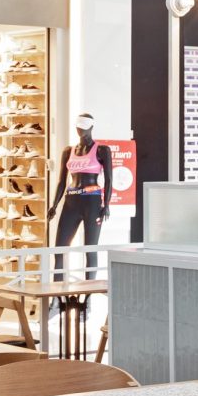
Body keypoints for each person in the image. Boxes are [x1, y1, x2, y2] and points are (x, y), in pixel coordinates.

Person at [48, 113, 113, 279]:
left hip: (92, 202)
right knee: (59, 249)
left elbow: (109, 179)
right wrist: (54, 205)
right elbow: (62, 181)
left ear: (91, 127)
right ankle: (57, 291)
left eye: (83, 127)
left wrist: (106, 204)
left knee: (90, 249)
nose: (80, 130)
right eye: (78, 127)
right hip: (71, 202)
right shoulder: (68, 151)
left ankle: (88, 292)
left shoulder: (102, 150)